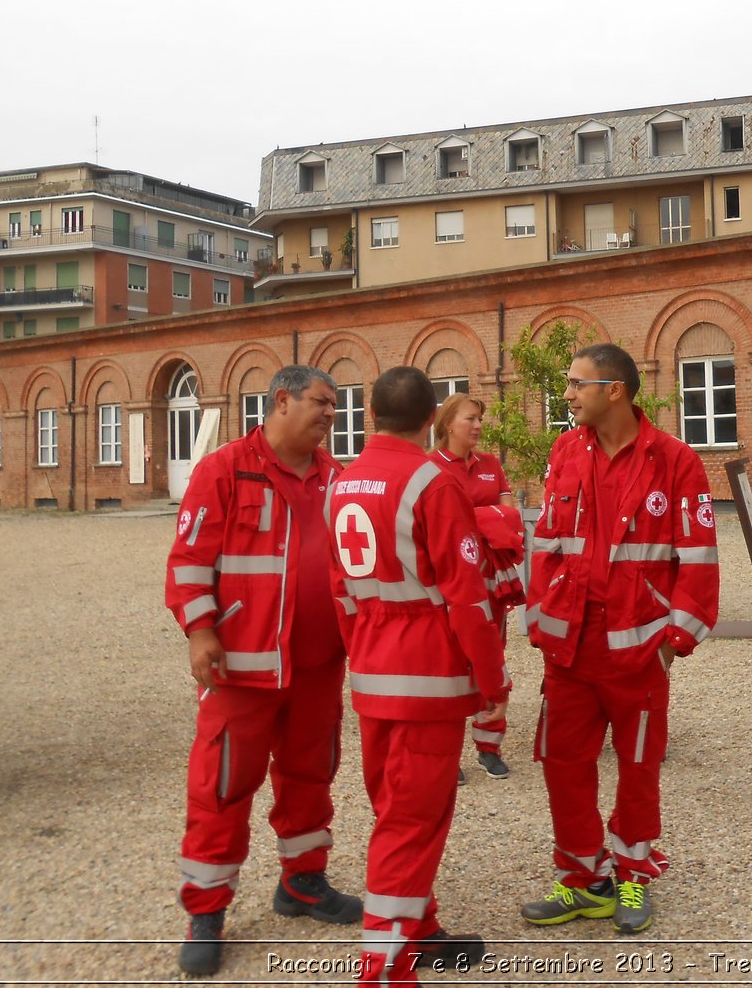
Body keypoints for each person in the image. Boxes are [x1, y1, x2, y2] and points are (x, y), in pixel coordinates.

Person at [164, 366, 361, 978]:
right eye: (322, 404)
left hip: (319, 667)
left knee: (311, 774)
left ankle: (303, 882)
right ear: (281, 401)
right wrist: (200, 630)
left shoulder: (338, 480)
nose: (332, 415)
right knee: (221, 786)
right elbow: (190, 559)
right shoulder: (224, 469)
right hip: (242, 670)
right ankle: (207, 910)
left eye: (337, 406)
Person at [520, 343, 720, 935]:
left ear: (615, 390)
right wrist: (539, 616)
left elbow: (699, 557)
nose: (567, 393)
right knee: (562, 763)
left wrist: (674, 639)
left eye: (577, 383)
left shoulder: (676, 460)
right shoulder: (564, 450)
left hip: (637, 647)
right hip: (570, 644)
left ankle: (632, 871)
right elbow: (548, 543)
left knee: (638, 766)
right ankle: (586, 880)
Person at [328, 366, 511, 987]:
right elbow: (469, 597)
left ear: (370, 414)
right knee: (412, 822)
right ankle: (383, 966)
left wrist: (366, 651)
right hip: (427, 674)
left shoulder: (342, 483)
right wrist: (492, 681)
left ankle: (419, 925)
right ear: (430, 416)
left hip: (374, 669)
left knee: (395, 807)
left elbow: (340, 593)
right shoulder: (432, 482)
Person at [430, 392, 525, 780]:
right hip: (449, 582)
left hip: (493, 582)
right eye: (471, 418)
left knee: (492, 656)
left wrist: (473, 517)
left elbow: (512, 517)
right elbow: (435, 524)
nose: (478, 426)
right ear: (448, 423)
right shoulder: (430, 467)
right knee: (448, 663)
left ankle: (489, 745)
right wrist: (489, 517)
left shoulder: (490, 464)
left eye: (480, 419)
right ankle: (446, 754)